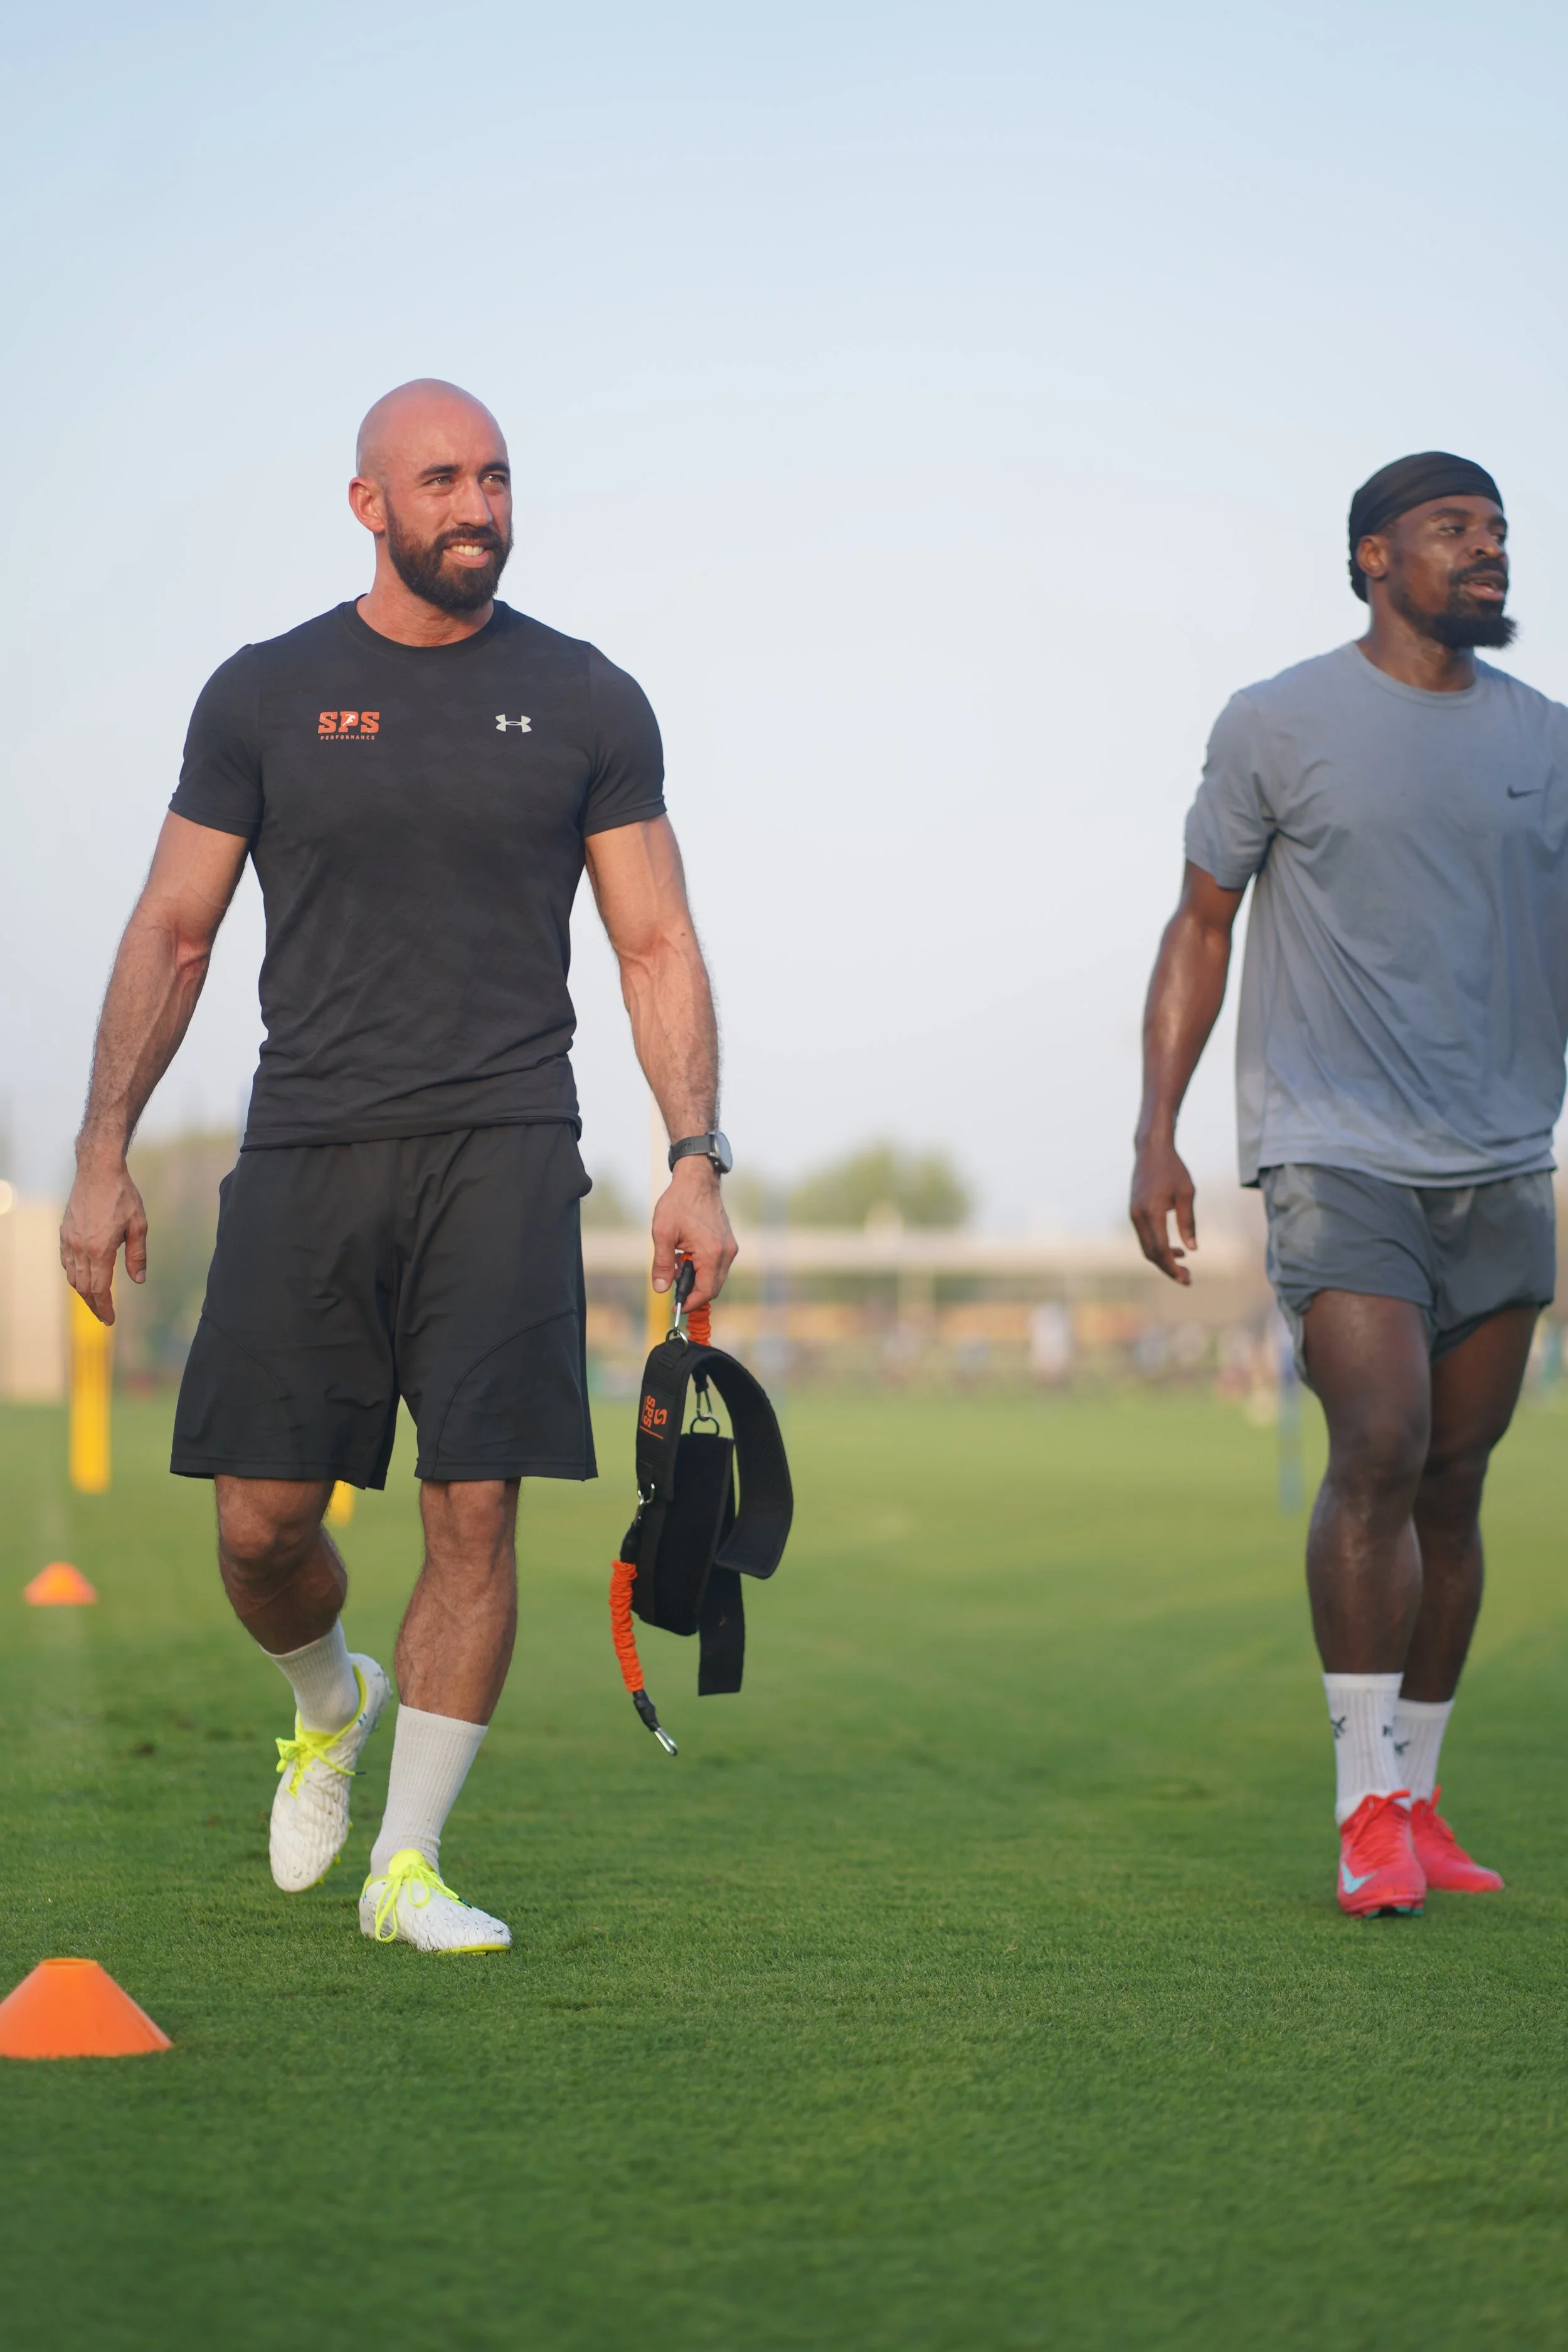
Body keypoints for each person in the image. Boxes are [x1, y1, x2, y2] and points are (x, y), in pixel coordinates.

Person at [60, 379, 738, 1954]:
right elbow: (175, 928)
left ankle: (408, 1869)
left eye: (495, 478)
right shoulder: (264, 694)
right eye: (441, 480)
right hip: (308, 1141)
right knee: (260, 1526)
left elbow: (655, 941)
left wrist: (693, 1158)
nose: (477, 507)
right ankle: (326, 1703)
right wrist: (100, 1150)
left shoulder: (585, 698)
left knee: (474, 1514)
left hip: (507, 1146)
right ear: (369, 504)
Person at [1130, 452, 1568, 1918]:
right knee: (1377, 1443)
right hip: (1333, 1153)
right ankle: (1359, 1807)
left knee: (1456, 1479)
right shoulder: (1278, 722)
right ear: (1372, 558)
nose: (1487, 552)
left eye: (1498, 533)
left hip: (1505, 1161)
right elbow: (1201, 922)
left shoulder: (1545, 743)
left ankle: (1421, 1796)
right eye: (1454, 531)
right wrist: (1156, 1127)